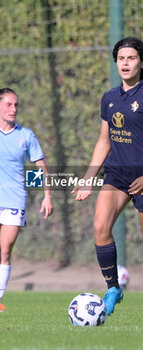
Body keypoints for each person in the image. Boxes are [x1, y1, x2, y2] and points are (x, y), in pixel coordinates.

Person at [72, 37, 143, 316]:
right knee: (100, 226)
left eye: (131, 58)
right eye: (121, 58)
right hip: (117, 174)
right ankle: (112, 289)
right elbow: (103, 141)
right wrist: (88, 177)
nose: (125, 63)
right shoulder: (109, 98)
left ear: (142, 62)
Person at [0, 88, 53, 312]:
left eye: (16, 105)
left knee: (5, 249)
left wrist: (47, 195)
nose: (13, 109)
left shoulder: (26, 136)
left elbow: (39, 167)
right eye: (9, 104)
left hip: (14, 200)